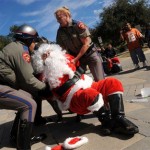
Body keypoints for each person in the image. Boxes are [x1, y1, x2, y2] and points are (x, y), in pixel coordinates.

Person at [31, 43, 139, 136]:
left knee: (112, 83)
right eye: (44, 55)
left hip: (88, 84)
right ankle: (106, 122)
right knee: (90, 94)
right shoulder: (42, 76)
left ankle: (118, 117)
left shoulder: (66, 58)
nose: (48, 55)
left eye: (50, 51)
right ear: (39, 60)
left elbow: (79, 64)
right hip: (73, 99)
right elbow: (45, 93)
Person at [0, 24, 52, 150]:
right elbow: (28, 80)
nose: (35, 44)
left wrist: (43, 61)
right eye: (34, 41)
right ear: (28, 39)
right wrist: (46, 88)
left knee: (27, 97)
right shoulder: (21, 50)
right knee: (29, 104)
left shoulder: (15, 47)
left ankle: (16, 137)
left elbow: (27, 73)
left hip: (4, 85)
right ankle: (23, 146)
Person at [54, 6, 104, 82]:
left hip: (90, 54)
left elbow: (86, 44)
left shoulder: (78, 25)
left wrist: (75, 59)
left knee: (100, 80)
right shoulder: (60, 32)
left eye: (59, 18)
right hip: (77, 59)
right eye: (57, 19)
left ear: (67, 15)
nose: (58, 21)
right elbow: (61, 48)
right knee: (78, 83)